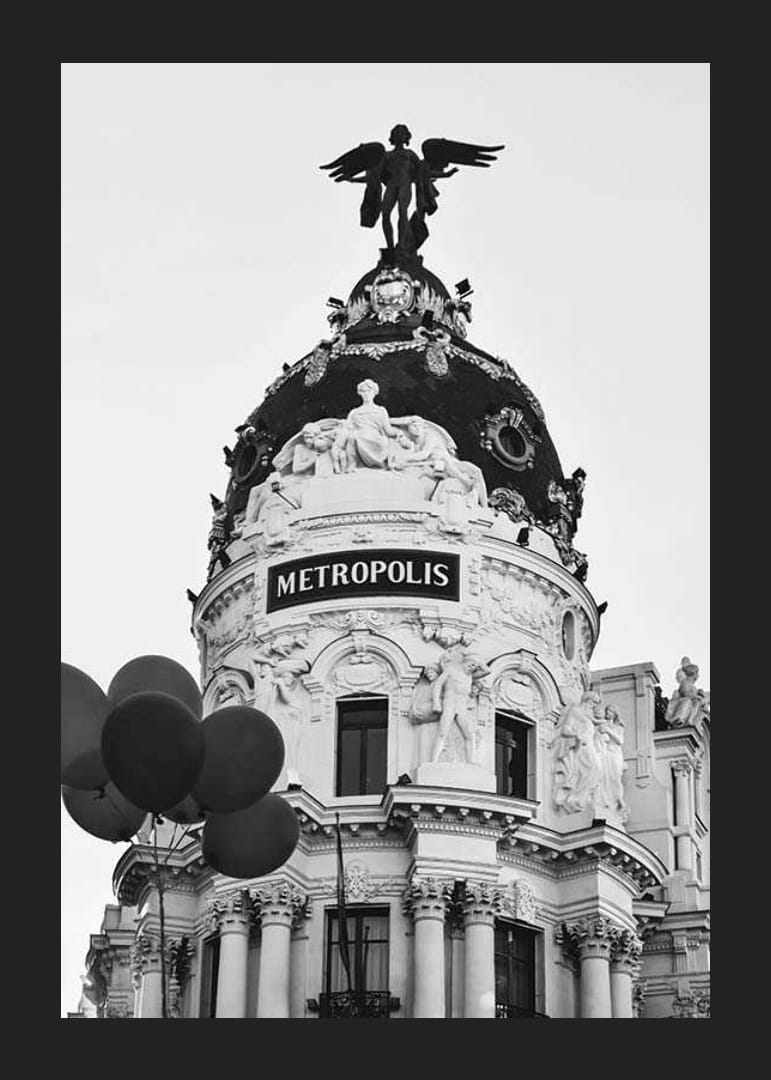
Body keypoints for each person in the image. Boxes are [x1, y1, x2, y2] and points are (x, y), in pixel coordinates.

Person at [333, 379, 408, 471]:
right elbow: (347, 427)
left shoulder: (380, 410)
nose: (366, 394)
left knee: (356, 436)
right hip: (358, 436)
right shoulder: (355, 412)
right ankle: (351, 465)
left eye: (369, 391)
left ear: (374, 393)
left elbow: (388, 429)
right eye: (363, 391)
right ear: (360, 393)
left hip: (376, 439)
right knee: (352, 437)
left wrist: (398, 432)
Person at [430, 650, 487, 764]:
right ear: (464, 662)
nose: (472, 668)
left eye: (474, 667)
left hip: (462, 707)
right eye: (471, 665)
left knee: (470, 735)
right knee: (442, 732)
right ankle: (433, 761)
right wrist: (436, 702)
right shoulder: (451, 671)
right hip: (450, 703)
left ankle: (471, 761)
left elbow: (487, 671)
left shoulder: (470, 676)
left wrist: (477, 660)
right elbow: (438, 685)